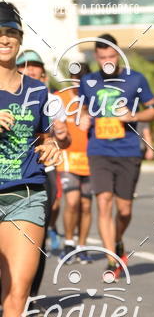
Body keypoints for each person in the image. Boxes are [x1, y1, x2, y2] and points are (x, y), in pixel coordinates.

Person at [0, 3, 63, 317]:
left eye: (10, 31)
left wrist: (56, 144)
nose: (3, 38)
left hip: (25, 195)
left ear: (20, 39)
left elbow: (60, 134)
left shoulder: (38, 92)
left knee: (17, 293)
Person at [79, 34, 154, 274]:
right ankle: (112, 258)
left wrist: (133, 117)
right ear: (96, 57)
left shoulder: (136, 79)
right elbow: (82, 106)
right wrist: (83, 116)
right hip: (99, 150)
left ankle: (117, 239)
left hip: (128, 150)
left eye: (111, 56)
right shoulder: (88, 81)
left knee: (124, 210)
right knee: (103, 202)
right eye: (102, 57)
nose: (107, 61)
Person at [16, 50, 71, 300]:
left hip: (42, 172)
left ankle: (31, 294)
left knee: (36, 236)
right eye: (25, 66)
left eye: (35, 67)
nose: (31, 70)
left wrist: (59, 136)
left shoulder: (51, 100)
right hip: (9, 173)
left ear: (42, 73)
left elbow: (65, 140)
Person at [56, 54, 93, 261]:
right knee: (72, 202)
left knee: (86, 205)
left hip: (91, 158)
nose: (78, 81)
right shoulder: (60, 97)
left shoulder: (94, 100)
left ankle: (82, 246)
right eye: (74, 76)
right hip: (68, 157)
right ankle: (69, 243)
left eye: (82, 77)